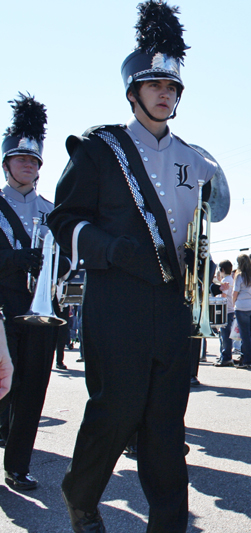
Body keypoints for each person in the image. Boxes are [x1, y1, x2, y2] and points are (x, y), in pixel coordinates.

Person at [47, 3, 218, 531]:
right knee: (116, 410)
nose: (164, 93)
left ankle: (168, 520)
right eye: (154, 84)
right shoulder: (101, 149)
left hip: (171, 303)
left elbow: (204, 224)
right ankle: (81, 492)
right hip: (115, 299)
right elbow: (65, 220)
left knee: (166, 422)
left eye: (172, 86)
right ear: (133, 91)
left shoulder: (195, 158)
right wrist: (109, 248)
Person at [0, 93, 68, 491]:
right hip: (3, 306)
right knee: (4, 384)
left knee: (33, 389)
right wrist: (14, 261)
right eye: (21, 158)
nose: (28, 164)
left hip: (40, 309)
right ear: (7, 163)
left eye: (34, 160)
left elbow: (68, 258)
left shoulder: (51, 209)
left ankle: (18, 464)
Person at [232, 254, 251, 369]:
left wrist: (233, 303)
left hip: (242, 306)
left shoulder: (240, 276)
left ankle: (247, 360)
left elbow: (235, 293)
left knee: (244, 335)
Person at [214, 259, 235, 366]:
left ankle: (226, 357)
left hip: (225, 309)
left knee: (224, 335)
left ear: (222, 269)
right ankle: (224, 355)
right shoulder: (230, 279)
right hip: (229, 309)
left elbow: (223, 295)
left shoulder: (226, 280)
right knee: (224, 334)